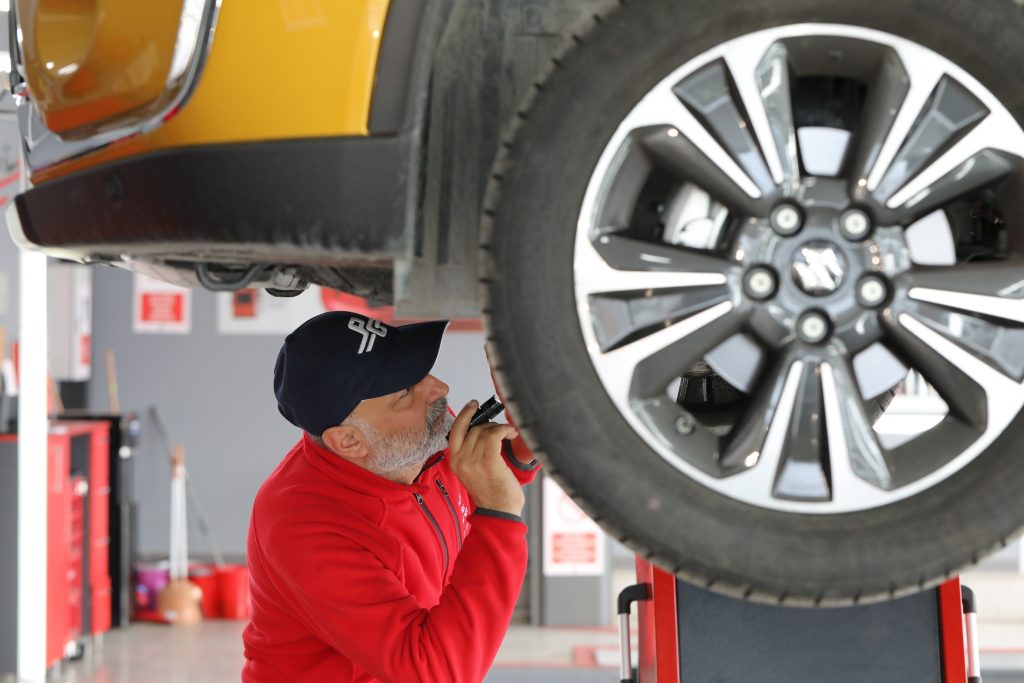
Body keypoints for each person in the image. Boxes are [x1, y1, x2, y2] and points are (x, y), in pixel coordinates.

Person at [242, 311, 539, 683]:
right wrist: (499, 515)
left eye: (416, 372)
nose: (440, 388)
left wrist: (529, 419)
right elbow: (435, 673)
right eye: (404, 392)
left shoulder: (403, 440)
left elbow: (484, 471)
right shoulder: (303, 528)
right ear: (349, 441)